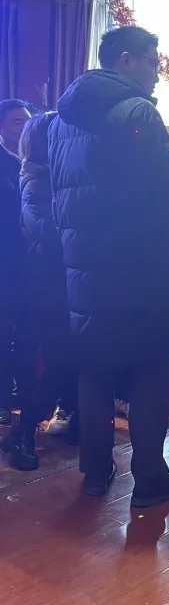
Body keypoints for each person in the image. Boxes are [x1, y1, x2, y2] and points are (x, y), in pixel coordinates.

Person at [49, 25, 169, 504]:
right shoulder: (138, 111)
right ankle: (150, 478)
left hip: (84, 268)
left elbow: (60, 197)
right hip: (140, 266)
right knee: (150, 368)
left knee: (95, 368)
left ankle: (95, 472)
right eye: (153, 63)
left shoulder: (60, 119)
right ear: (126, 60)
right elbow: (167, 187)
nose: (157, 73)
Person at [0, 113, 78, 470]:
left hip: (62, 282)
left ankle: (26, 429)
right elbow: (41, 230)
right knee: (59, 362)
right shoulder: (34, 179)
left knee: (67, 361)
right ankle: (23, 432)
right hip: (45, 284)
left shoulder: (57, 176)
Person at [0, 99, 32, 425]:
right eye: (16, 122)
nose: (24, 128)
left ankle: (26, 397)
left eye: (27, 121)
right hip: (5, 262)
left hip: (31, 264)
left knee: (27, 333)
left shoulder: (36, 161)